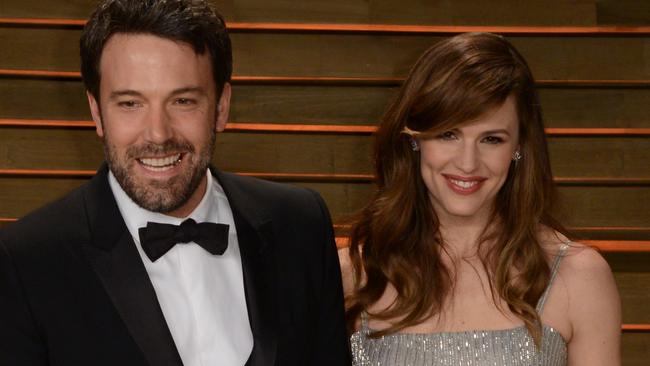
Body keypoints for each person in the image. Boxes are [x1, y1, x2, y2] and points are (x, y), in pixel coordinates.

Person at [0, 1, 350, 365]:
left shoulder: (301, 224)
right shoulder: (26, 261)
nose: (158, 134)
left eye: (183, 101)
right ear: (96, 112)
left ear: (221, 107)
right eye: (130, 103)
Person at [342, 32, 620, 365]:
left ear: (519, 146)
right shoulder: (350, 274)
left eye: (491, 139)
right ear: (414, 139)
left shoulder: (579, 276)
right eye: (448, 134)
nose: (468, 163)